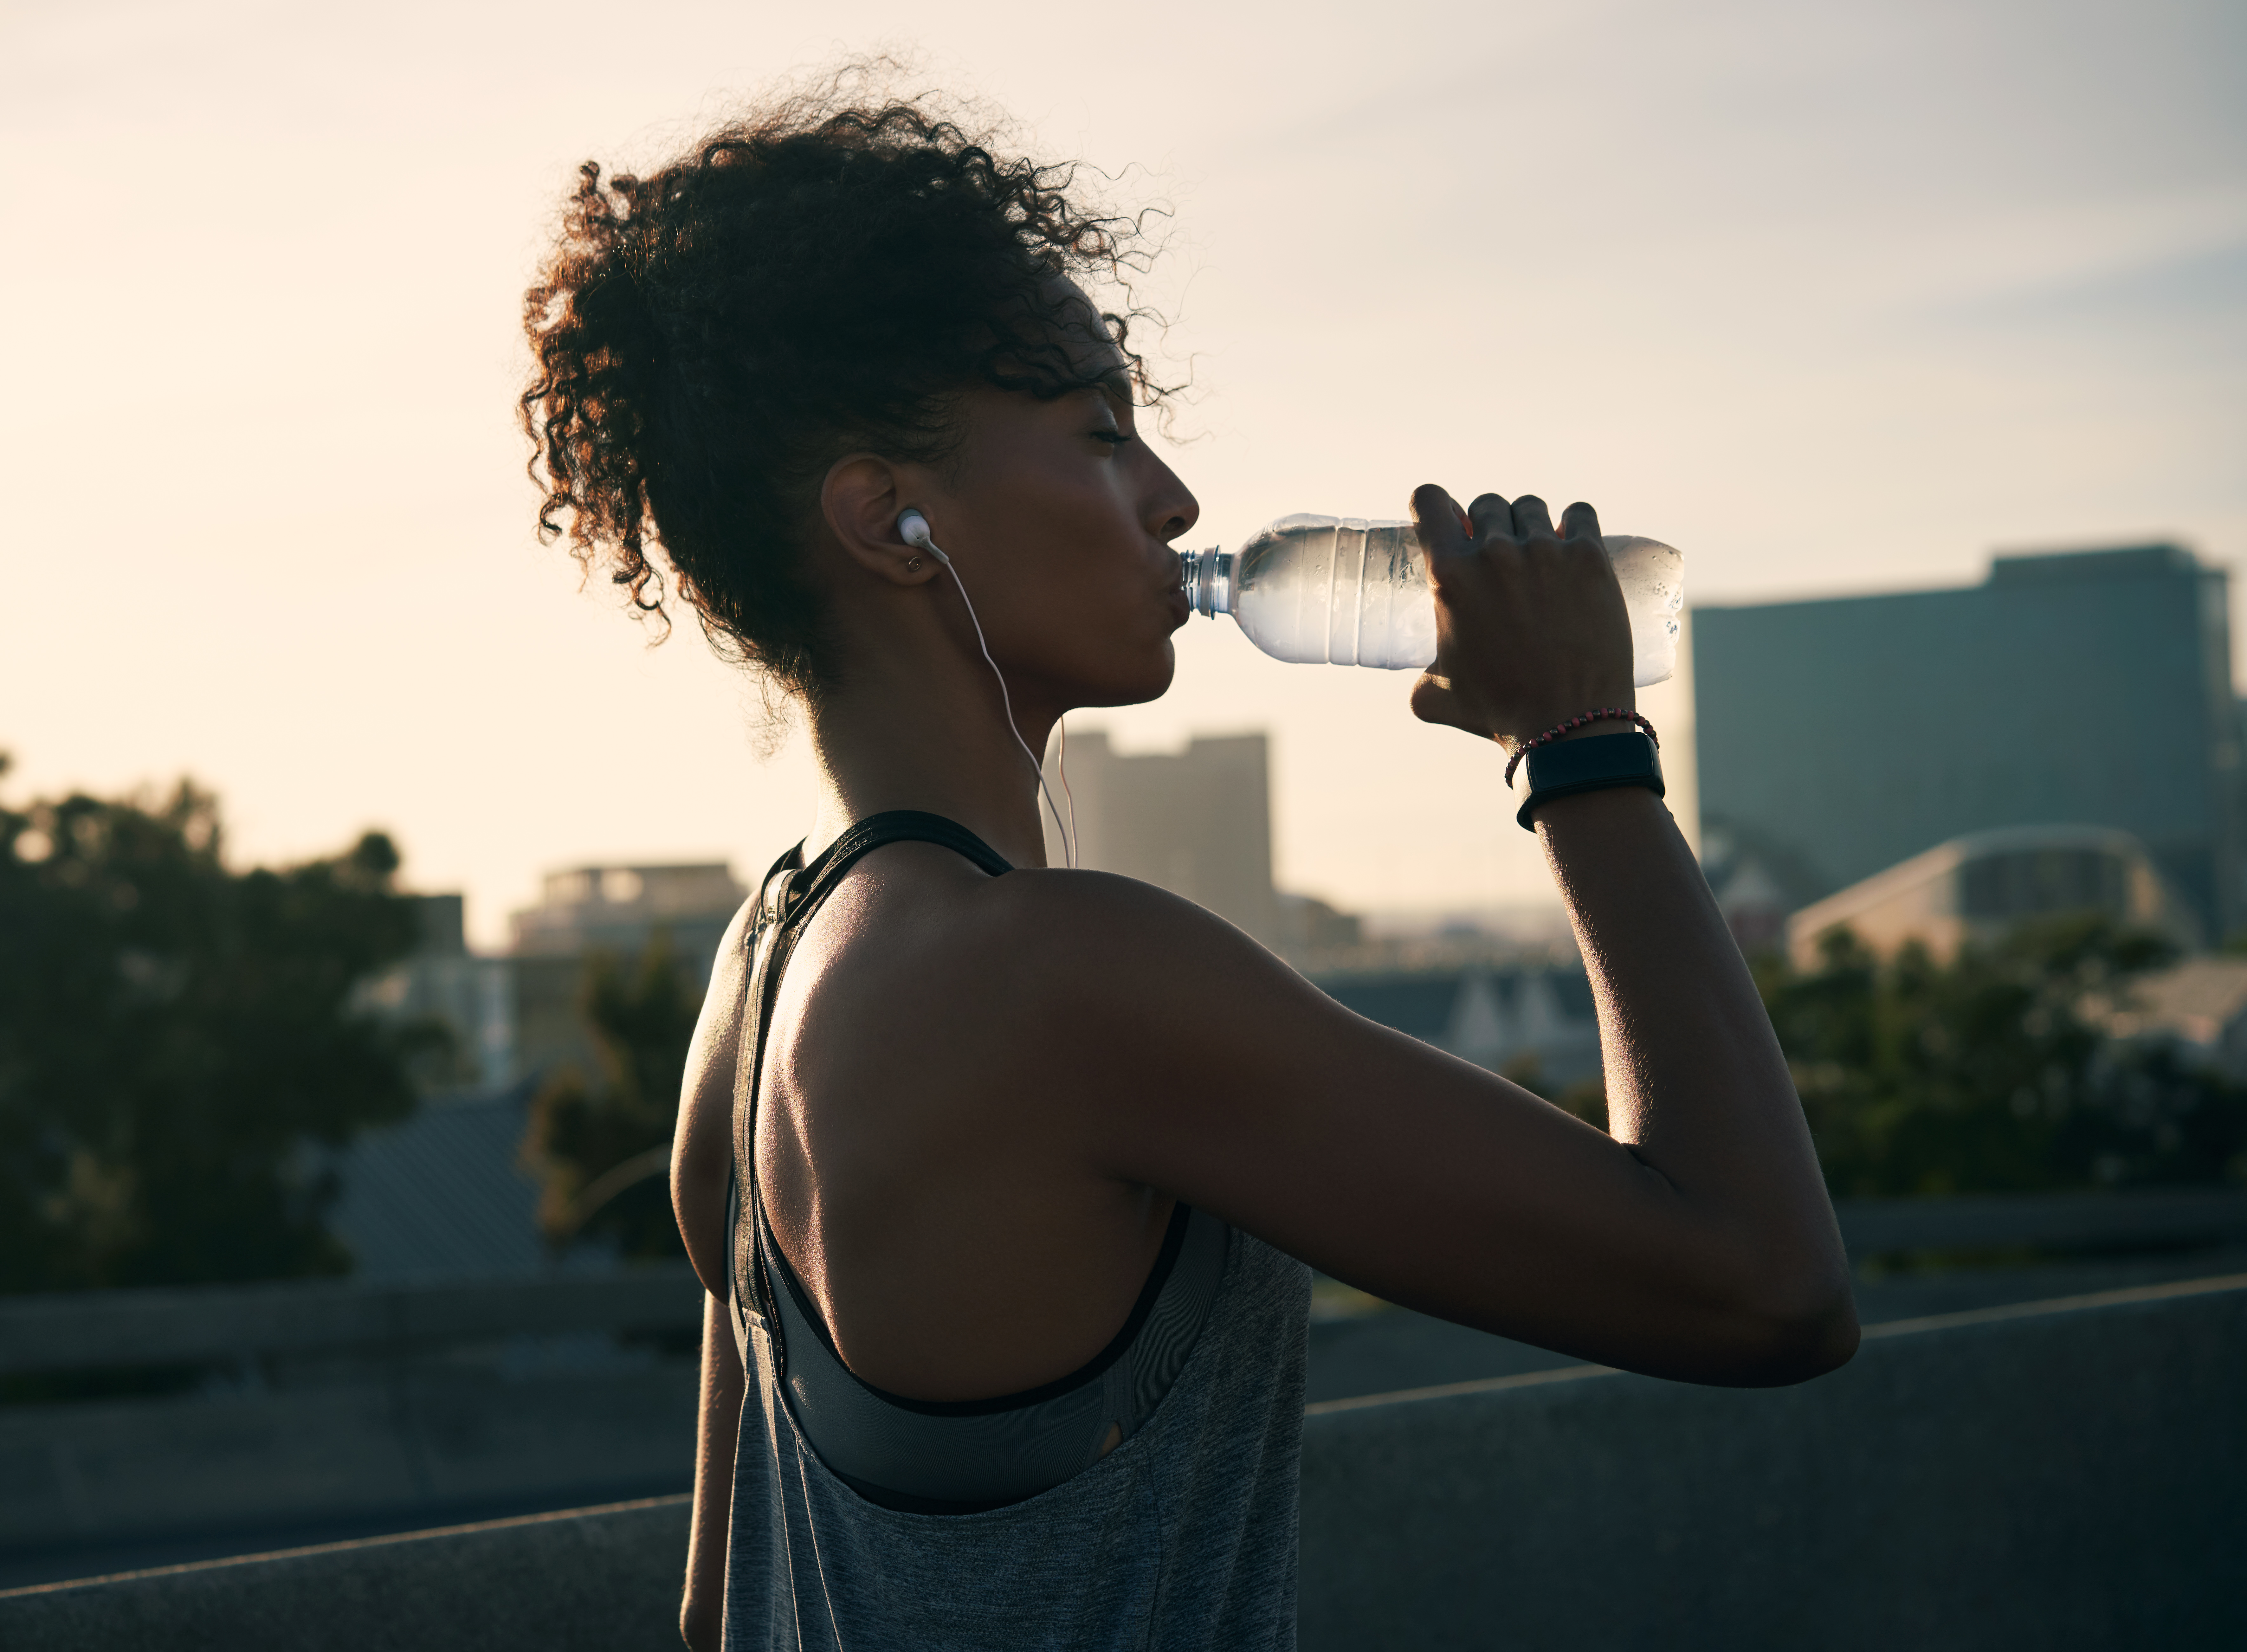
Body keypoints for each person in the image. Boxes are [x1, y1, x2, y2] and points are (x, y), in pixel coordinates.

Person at [521, 88, 1855, 1652]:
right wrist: (1576, 749)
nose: (1173, 498)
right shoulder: (1053, 981)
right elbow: (1760, 1284)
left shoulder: (758, 973)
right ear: (891, 519)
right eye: (1099, 432)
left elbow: (721, 1611)